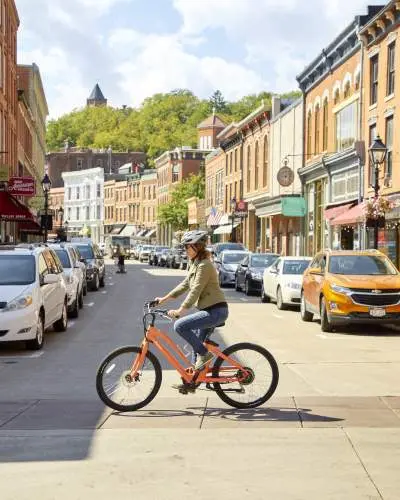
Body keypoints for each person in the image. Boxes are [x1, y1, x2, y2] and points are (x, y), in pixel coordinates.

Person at [155, 230, 228, 374]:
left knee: (180, 326)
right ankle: (194, 379)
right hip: (208, 311)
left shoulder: (205, 265)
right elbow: (185, 285)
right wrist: (163, 299)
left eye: (187, 247)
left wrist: (180, 311)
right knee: (198, 347)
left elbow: (195, 290)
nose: (185, 250)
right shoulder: (196, 263)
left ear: (197, 247)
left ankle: (205, 355)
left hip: (216, 311)